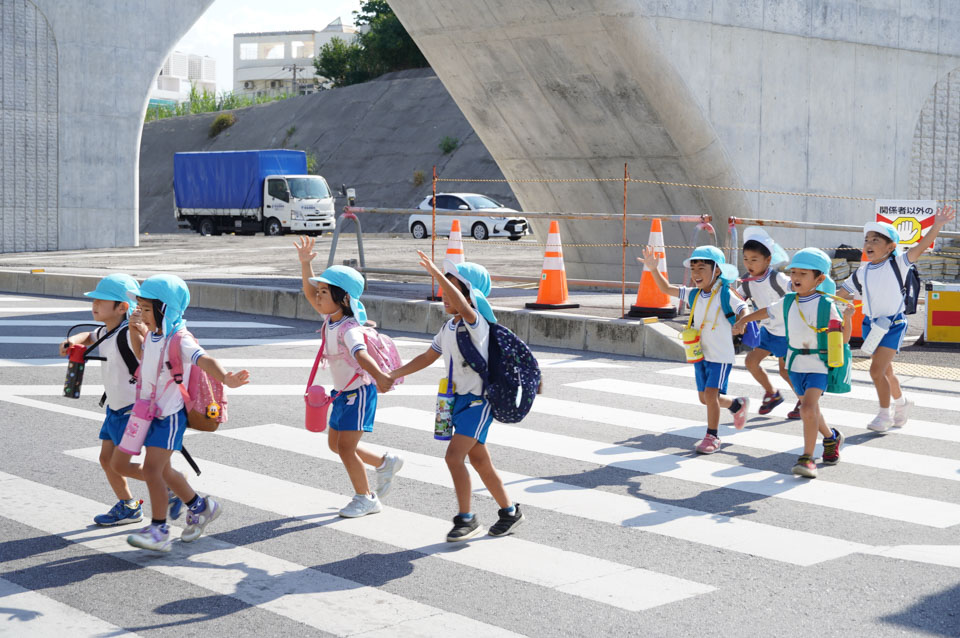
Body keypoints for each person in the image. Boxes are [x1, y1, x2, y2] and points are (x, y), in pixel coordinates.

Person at [388, 251, 523, 542]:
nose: (443, 294)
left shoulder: (477, 325)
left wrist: (438, 273)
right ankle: (510, 512)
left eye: (451, 288)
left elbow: (463, 305)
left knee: (453, 457)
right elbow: (427, 356)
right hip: (455, 402)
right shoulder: (448, 327)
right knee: (480, 462)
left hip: (478, 402)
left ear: (469, 294)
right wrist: (392, 374)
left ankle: (466, 518)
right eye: (441, 287)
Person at [122, 274, 250, 552]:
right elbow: (142, 357)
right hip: (147, 413)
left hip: (169, 415)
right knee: (153, 469)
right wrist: (136, 330)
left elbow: (204, 359)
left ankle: (159, 530)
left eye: (146, 309)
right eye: (140, 308)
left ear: (164, 309)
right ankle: (201, 507)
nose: (141, 313)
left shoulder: (180, 338)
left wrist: (226, 377)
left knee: (152, 469)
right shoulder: (155, 335)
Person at [58, 274, 183, 526]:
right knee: (107, 461)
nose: (94, 305)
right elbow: (89, 336)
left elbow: (148, 352)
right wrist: (72, 341)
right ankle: (128, 505)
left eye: (101, 301)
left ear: (122, 307)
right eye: (94, 301)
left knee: (120, 465)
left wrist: (140, 331)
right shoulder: (106, 330)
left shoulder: (129, 333)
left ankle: (170, 487)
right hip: (114, 409)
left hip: (132, 410)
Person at [295, 236, 403, 518]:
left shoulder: (349, 328)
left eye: (323, 293)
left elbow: (361, 354)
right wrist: (306, 265)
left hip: (359, 393)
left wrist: (380, 376)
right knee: (336, 444)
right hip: (343, 393)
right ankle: (384, 462)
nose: (317, 297)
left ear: (343, 299)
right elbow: (307, 293)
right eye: (318, 292)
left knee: (345, 448)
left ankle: (366, 498)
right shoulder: (331, 320)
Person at [735, 248, 855, 478]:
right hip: (795, 364)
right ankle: (831, 438)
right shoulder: (788, 301)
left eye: (803, 273)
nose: (796, 278)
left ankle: (807, 458)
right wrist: (744, 320)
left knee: (808, 408)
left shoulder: (826, 304)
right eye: (793, 273)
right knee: (812, 411)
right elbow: (766, 312)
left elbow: (844, 339)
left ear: (819, 279)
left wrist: (847, 320)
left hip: (818, 363)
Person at [838, 206, 956, 432]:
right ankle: (902, 404)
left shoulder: (899, 263)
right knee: (886, 371)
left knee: (876, 371)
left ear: (891, 246)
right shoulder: (861, 272)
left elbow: (921, 246)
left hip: (893, 325)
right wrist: (816, 294)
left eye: (875, 240)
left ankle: (884, 415)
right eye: (867, 240)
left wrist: (938, 225)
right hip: (870, 326)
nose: (869, 244)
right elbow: (840, 293)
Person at [640, 245, 751, 454]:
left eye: (701, 268)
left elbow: (743, 307)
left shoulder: (725, 293)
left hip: (720, 355)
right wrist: (653, 269)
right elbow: (666, 289)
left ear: (716, 270)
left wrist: (743, 322)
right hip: (699, 354)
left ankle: (712, 436)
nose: (696, 273)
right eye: (693, 269)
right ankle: (737, 405)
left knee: (710, 395)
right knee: (705, 398)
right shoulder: (694, 294)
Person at [737, 228, 799, 418]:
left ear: (768, 260)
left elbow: (797, 287)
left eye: (754, 259)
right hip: (768, 331)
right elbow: (736, 300)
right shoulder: (746, 282)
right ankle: (772, 394)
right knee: (751, 361)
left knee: (785, 372)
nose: (749, 264)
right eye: (746, 259)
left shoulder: (777, 278)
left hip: (788, 333)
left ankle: (805, 402)